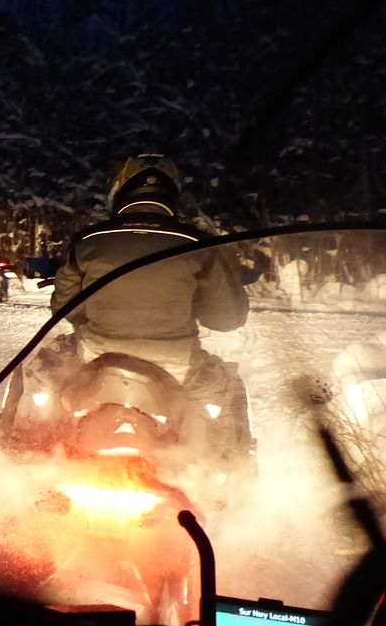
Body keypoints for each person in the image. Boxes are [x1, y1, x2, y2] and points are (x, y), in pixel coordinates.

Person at [40, 153, 249, 449]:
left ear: (119, 188)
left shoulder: (89, 240)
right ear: (173, 191)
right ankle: (216, 474)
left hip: (96, 355)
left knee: (43, 375)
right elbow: (228, 319)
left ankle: (32, 454)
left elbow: (65, 308)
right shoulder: (199, 245)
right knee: (224, 394)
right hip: (176, 363)